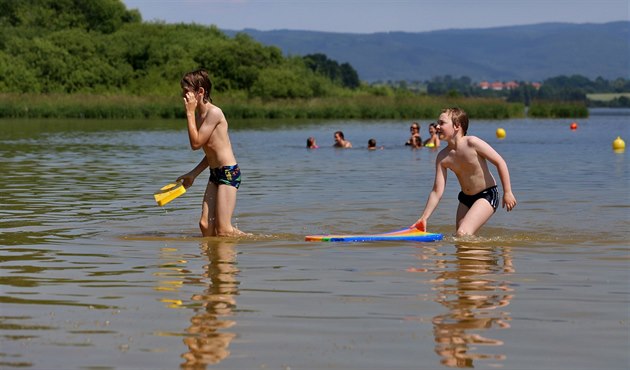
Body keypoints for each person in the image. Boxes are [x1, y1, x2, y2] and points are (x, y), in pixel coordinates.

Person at [411, 107, 517, 236]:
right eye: (437, 123)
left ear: (457, 126)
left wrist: (508, 192)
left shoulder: (472, 143)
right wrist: (424, 218)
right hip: (465, 199)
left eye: (442, 123)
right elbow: (437, 191)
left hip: (487, 195)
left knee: (462, 233)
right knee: (460, 238)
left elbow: (500, 162)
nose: (437, 127)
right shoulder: (442, 157)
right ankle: (485, 254)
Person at [176, 69, 245, 237]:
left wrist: (189, 113)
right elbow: (211, 153)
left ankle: (256, 241)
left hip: (229, 173)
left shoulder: (214, 113)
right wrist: (193, 174)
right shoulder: (199, 117)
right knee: (205, 225)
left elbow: (196, 144)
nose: (183, 96)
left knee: (224, 230)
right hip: (215, 173)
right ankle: (211, 261)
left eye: (187, 92)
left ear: (200, 92)